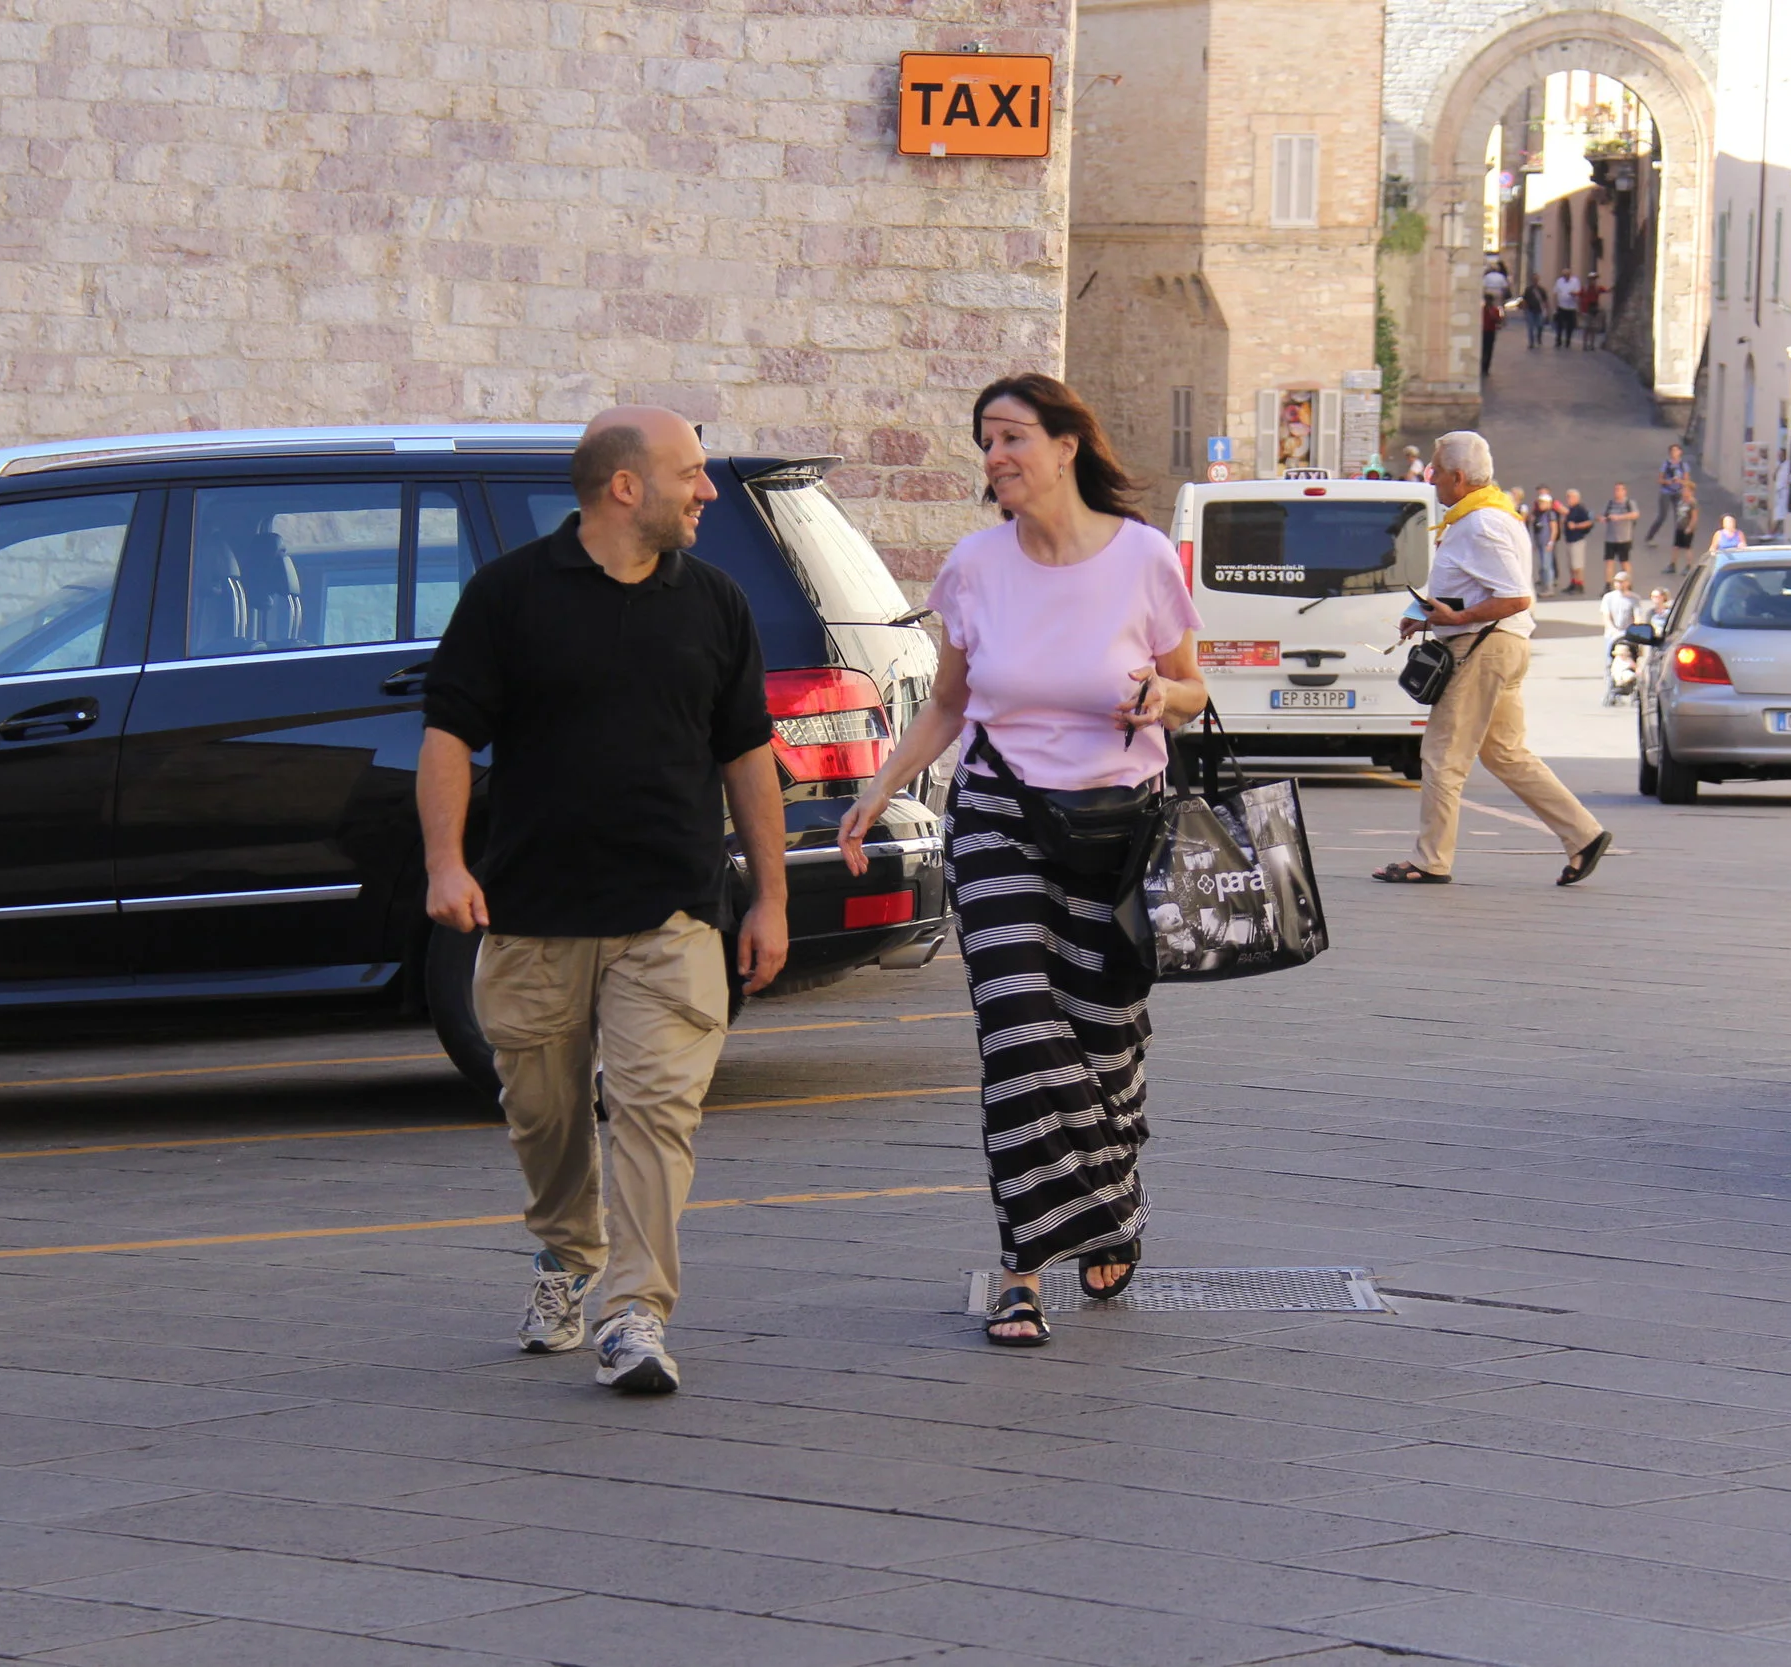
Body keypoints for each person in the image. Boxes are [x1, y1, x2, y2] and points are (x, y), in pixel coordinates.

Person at [416, 405, 791, 1396]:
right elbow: (449, 737)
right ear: (624, 486)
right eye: (691, 473)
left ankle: (635, 1311)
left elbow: (749, 758)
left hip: (670, 911)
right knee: (543, 1117)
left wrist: (770, 899)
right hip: (534, 911)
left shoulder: (715, 602)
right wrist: (446, 863)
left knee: (655, 1109)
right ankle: (567, 1250)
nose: (707, 490)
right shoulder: (508, 596)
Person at [838, 372, 1205, 1350]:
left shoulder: (1142, 559)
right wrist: (882, 786)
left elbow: (1191, 686)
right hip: (997, 812)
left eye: (1010, 436)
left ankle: (1112, 1187)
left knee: (1104, 1035)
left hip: (1117, 826)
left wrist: (1155, 701)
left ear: (1064, 446)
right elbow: (952, 702)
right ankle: (1023, 1270)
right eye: (985, 440)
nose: (994, 455)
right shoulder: (972, 567)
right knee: (1018, 1034)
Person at [1373, 430, 1610, 888]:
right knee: (1505, 753)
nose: (1431, 478)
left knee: (1443, 756)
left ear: (1458, 477)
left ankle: (1431, 859)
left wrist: (1456, 618)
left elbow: (1515, 596)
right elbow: (1484, 589)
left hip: (1483, 648)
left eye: (1435, 470)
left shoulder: (1481, 523)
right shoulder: (1485, 516)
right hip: (1499, 644)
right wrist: (1431, 616)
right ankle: (1584, 835)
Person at [1600, 570, 1642, 693]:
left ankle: (1631, 683)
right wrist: (1612, 629)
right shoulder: (1608, 597)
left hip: (1628, 635)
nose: (1619, 584)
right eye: (1617, 582)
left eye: (1622, 582)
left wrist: (1636, 630)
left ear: (1628, 583)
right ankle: (1611, 684)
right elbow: (1606, 616)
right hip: (1612, 635)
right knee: (1610, 660)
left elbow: (1637, 617)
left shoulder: (1634, 599)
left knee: (1631, 657)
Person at [1645, 444, 1691, 544]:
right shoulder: (1666, 464)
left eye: (1676, 450)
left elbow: (1687, 481)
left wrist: (1681, 483)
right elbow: (1660, 479)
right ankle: (1649, 537)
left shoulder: (1683, 465)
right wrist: (1668, 482)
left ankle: (1680, 540)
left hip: (1678, 493)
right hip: (1666, 492)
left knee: (1679, 517)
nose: (1674, 453)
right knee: (1662, 516)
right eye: (1672, 451)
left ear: (1680, 452)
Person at [1560, 487, 1594, 594]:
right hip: (1569, 540)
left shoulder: (1580, 509)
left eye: (1570, 497)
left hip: (1577, 540)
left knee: (1577, 564)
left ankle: (1580, 584)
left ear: (1576, 498)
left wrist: (1576, 526)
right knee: (1571, 564)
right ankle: (1573, 582)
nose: (1568, 499)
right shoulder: (1570, 510)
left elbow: (1589, 522)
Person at [1528, 488, 1563, 596]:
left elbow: (1554, 529)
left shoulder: (1550, 514)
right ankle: (1544, 586)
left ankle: (1549, 588)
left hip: (1546, 543)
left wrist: (1551, 542)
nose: (1540, 505)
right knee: (1542, 566)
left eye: (1542, 503)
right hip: (1540, 543)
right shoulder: (1538, 514)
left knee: (1547, 566)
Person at [1602, 483, 1639, 579]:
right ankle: (1608, 585)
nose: (1617, 492)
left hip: (1624, 538)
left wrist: (1619, 517)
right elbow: (1604, 516)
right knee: (1609, 562)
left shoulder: (1629, 503)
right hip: (1610, 538)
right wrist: (1603, 519)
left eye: (1619, 490)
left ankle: (1628, 583)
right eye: (1615, 490)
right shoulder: (1610, 503)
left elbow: (1635, 514)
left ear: (1624, 491)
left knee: (1624, 562)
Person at [1669, 481, 1699, 570]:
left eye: (1686, 490)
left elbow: (1694, 517)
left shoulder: (1692, 502)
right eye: (1683, 490)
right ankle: (1672, 565)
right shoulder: (1681, 501)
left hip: (1687, 528)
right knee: (1676, 546)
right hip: (1679, 527)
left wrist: (1690, 527)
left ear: (1691, 492)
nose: (1684, 492)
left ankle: (1688, 566)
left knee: (1687, 547)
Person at [1552, 269, 1580, 348]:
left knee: (1570, 326)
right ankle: (1558, 340)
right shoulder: (1559, 281)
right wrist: (1555, 306)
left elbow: (1578, 292)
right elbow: (1555, 292)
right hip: (1561, 306)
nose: (1565, 277)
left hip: (1571, 307)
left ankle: (1568, 341)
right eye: (1564, 275)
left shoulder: (1575, 281)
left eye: (1567, 275)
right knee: (1559, 325)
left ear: (1570, 275)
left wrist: (1574, 294)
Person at [1577, 273, 1604, 348]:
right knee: (1586, 327)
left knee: (1593, 328)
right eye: (1592, 279)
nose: (1594, 281)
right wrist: (1580, 310)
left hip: (1594, 310)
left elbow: (1605, 290)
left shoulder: (1597, 288)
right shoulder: (1585, 288)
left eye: (1595, 279)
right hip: (1586, 310)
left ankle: (1591, 344)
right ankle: (1585, 344)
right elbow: (1579, 296)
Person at [1521, 277, 1548, 349]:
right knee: (1531, 327)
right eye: (1534, 280)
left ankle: (1539, 337)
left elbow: (1545, 300)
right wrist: (1524, 309)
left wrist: (1546, 309)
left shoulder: (1541, 290)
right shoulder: (1528, 290)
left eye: (1536, 280)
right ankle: (1531, 342)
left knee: (1540, 325)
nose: (1535, 281)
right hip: (1530, 310)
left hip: (1539, 310)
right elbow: (1524, 299)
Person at [1480, 297, 1503, 377]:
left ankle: (1486, 368)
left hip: (1490, 331)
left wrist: (1493, 316)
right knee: (1482, 350)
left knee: (1489, 350)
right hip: (1483, 331)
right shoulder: (1481, 310)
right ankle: (1482, 366)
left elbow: (1499, 321)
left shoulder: (1495, 310)